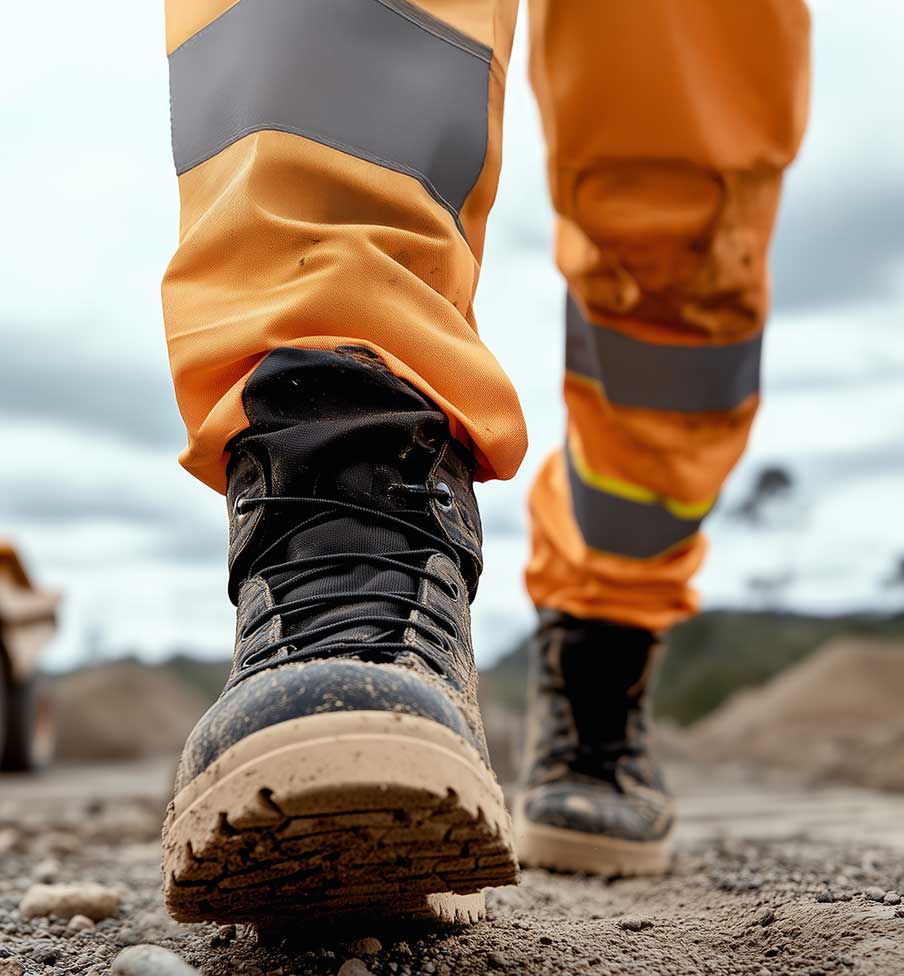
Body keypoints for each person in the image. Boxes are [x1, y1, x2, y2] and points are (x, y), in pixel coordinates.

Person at [159, 1, 811, 926]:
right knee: (345, 48)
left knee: (680, 194)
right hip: (329, 435)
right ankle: (344, 541)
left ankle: (604, 645)